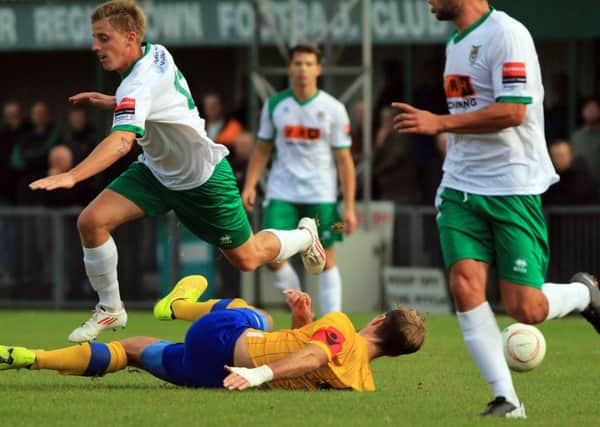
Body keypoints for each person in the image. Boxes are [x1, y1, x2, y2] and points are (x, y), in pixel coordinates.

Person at [28, 0, 326, 343]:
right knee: (91, 222)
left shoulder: (137, 84)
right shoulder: (156, 53)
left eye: (103, 38)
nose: (95, 47)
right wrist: (116, 101)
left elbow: (123, 141)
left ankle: (305, 236)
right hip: (156, 173)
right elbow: (160, 97)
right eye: (94, 38)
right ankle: (111, 308)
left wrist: (72, 175)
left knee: (247, 258)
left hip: (204, 179)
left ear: (130, 38)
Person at [392, 0, 600, 418]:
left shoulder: (507, 34)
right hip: (460, 187)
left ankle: (586, 293)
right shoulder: (455, 44)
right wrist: (448, 135)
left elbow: (513, 109)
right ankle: (506, 399)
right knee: (465, 284)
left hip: (512, 187)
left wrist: (441, 124)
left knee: (526, 307)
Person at [0, 275, 426, 391]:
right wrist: (304, 322)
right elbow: (311, 359)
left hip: (221, 343)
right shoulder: (360, 382)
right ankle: (31, 357)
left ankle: (177, 307)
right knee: (131, 351)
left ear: (376, 323)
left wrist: (259, 373)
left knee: (261, 317)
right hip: (214, 377)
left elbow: (314, 357)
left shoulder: (342, 327)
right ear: (392, 354)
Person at [242, 44, 357, 314]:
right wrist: (249, 185)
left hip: (321, 195)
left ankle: (333, 321)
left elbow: (345, 161)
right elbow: (261, 150)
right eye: (297, 63)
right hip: (282, 193)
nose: (302, 69)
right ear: (290, 68)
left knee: (326, 257)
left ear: (318, 69)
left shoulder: (334, 108)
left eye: (308, 64)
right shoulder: (274, 105)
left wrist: (349, 207)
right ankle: (301, 305)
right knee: (268, 254)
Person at [571, 98, 600, 185]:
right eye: (587, 109)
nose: (590, 112)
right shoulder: (577, 136)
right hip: (580, 186)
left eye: (593, 109)